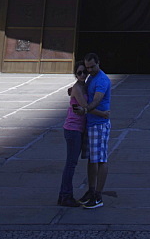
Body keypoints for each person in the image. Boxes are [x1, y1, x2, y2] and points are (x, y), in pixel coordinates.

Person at [76, 52, 111, 209]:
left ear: (98, 63)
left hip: (99, 124)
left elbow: (96, 100)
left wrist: (85, 109)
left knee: (101, 159)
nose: (89, 70)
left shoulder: (102, 80)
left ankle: (98, 195)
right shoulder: (91, 77)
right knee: (92, 159)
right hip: (91, 123)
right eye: (87, 67)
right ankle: (91, 190)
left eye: (92, 66)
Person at [58, 62, 88, 207]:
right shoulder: (77, 88)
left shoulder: (82, 86)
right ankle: (65, 196)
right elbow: (85, 105)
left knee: (71, 163)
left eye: (84, 72)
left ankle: (63, 195)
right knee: (71, 164)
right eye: (79, 73)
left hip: (78, 128)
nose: (82, 75)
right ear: (75, 74)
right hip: (73, 129)